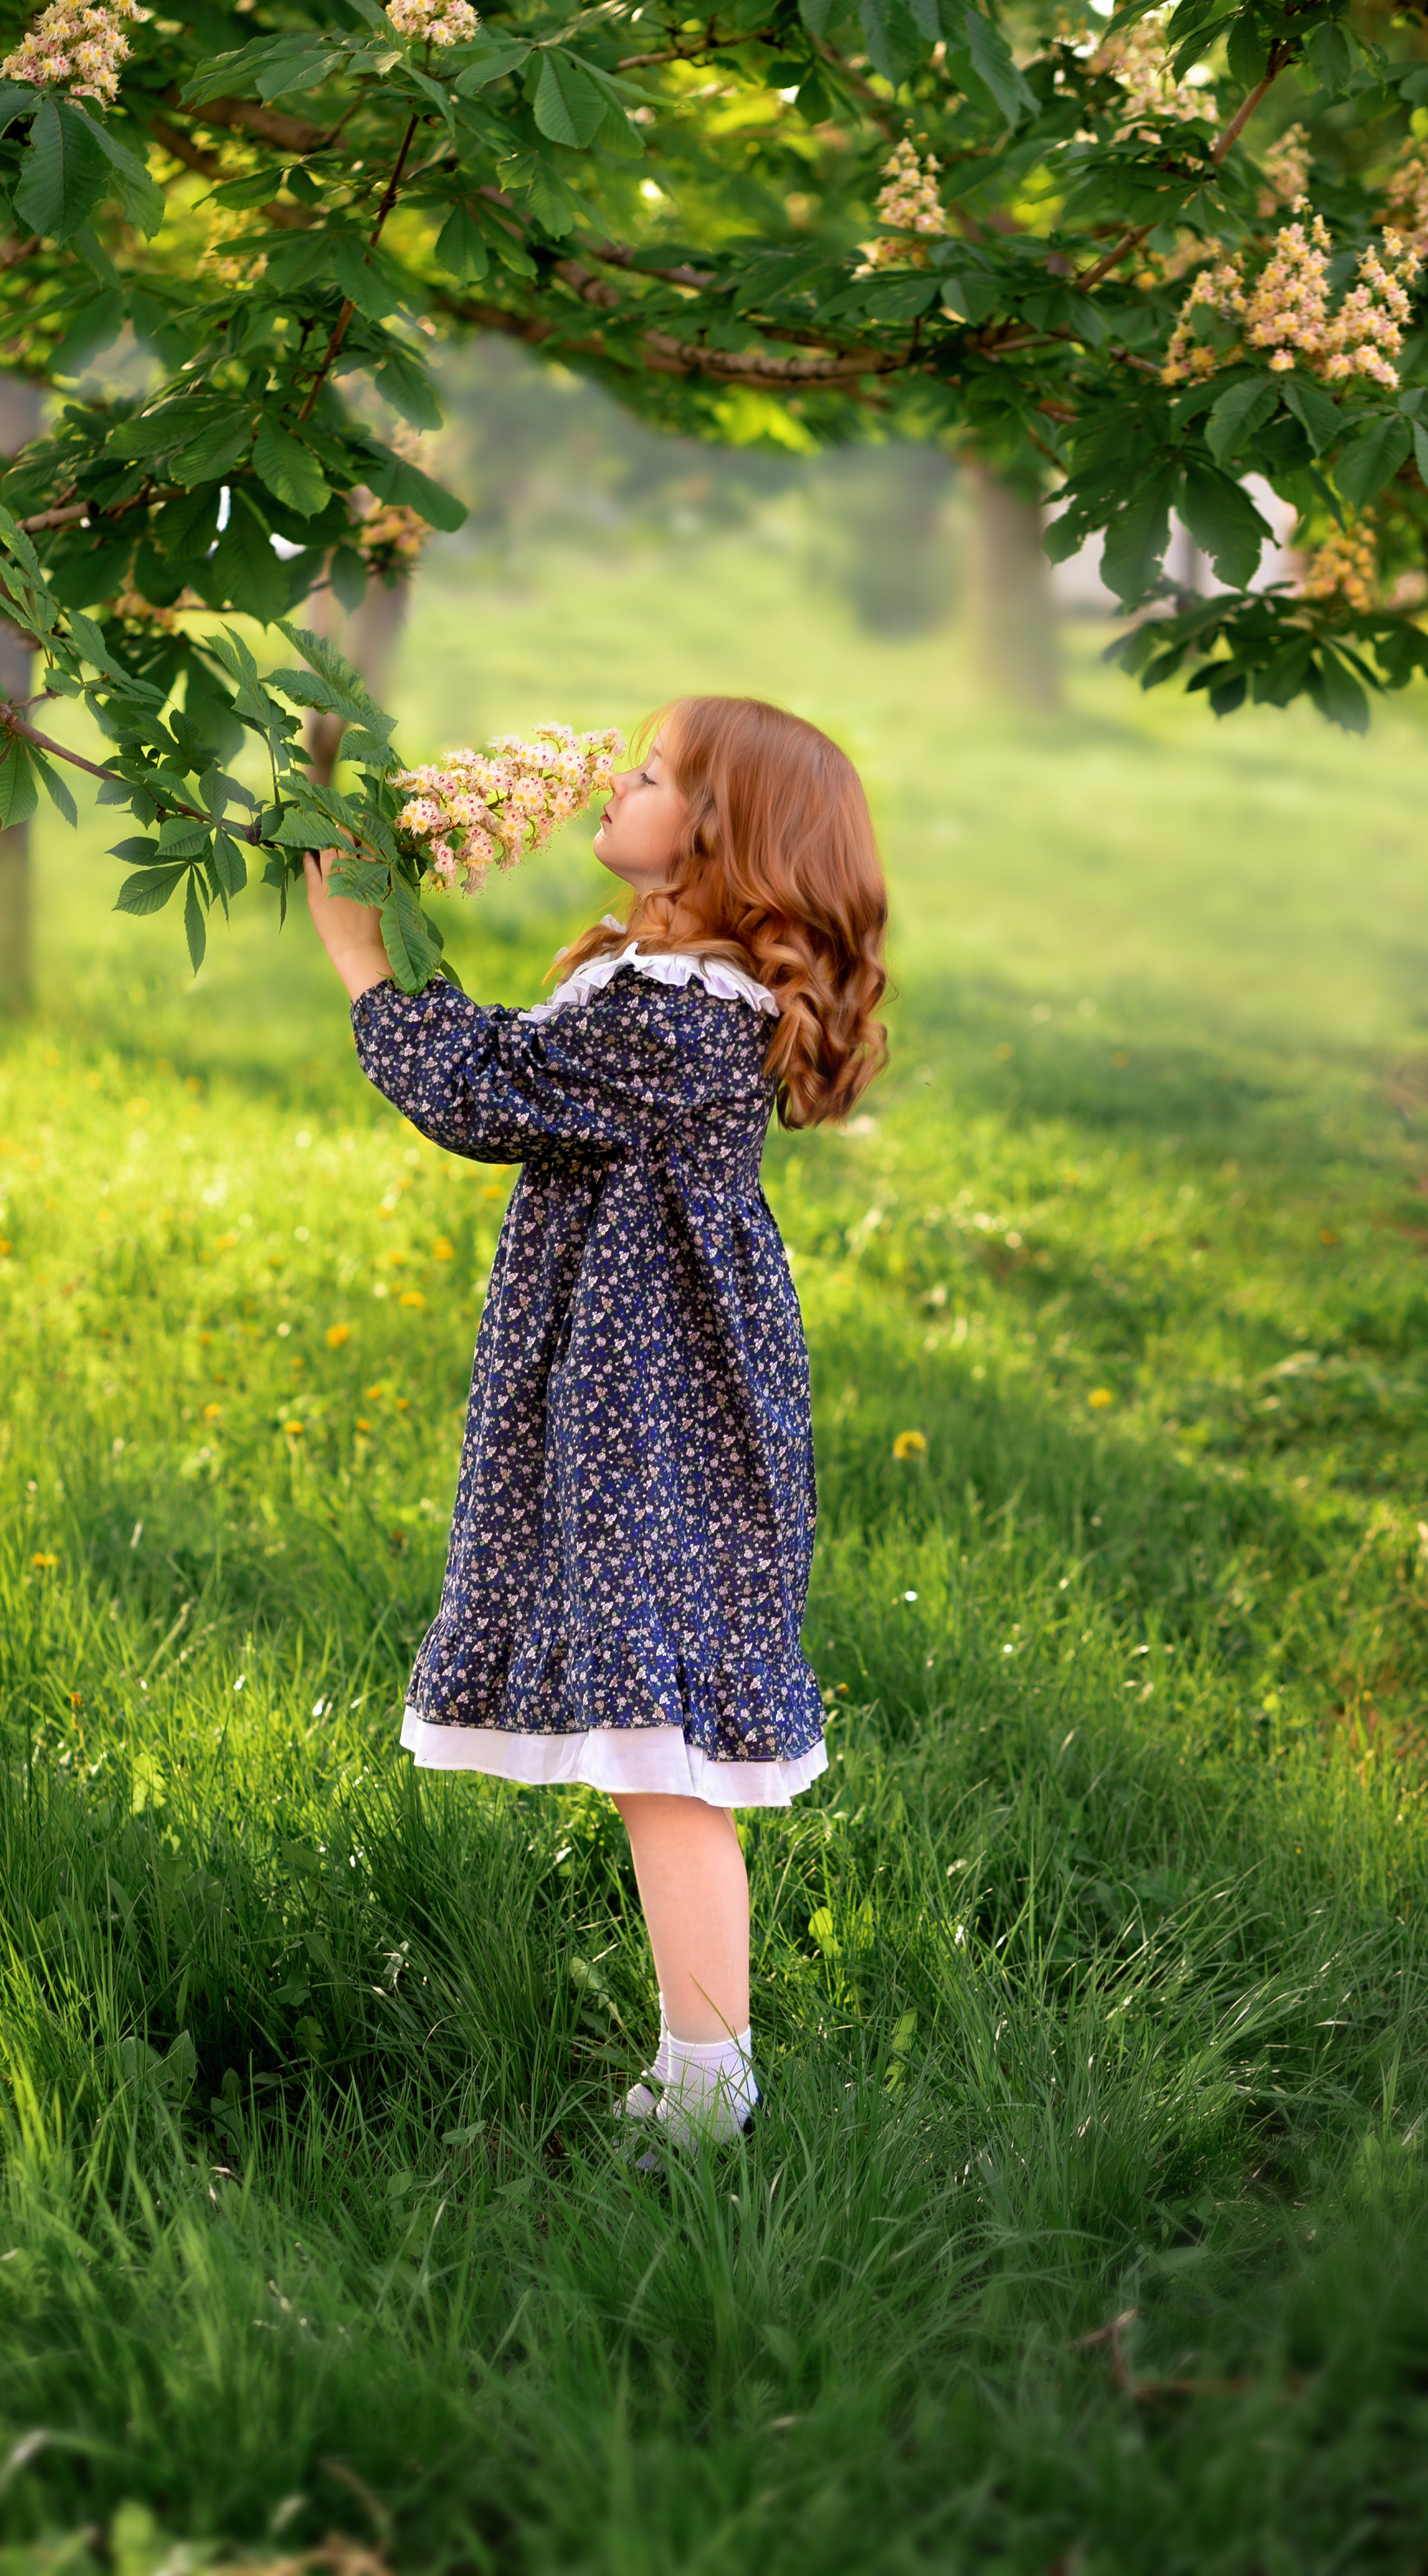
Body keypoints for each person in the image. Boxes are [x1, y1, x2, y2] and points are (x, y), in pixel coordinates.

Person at [302, 694, 889, 2153]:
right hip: (623, 1392)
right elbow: (521, 1066)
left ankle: (709, 2078)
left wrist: (365, 962)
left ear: (717, 837)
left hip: (653, 1413)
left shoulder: (683, 1019)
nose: (602, 786)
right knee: (648, 1738)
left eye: (640, 773)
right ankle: (701, 2063)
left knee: (660, 1745)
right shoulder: (650, 985)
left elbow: (488, 1093)